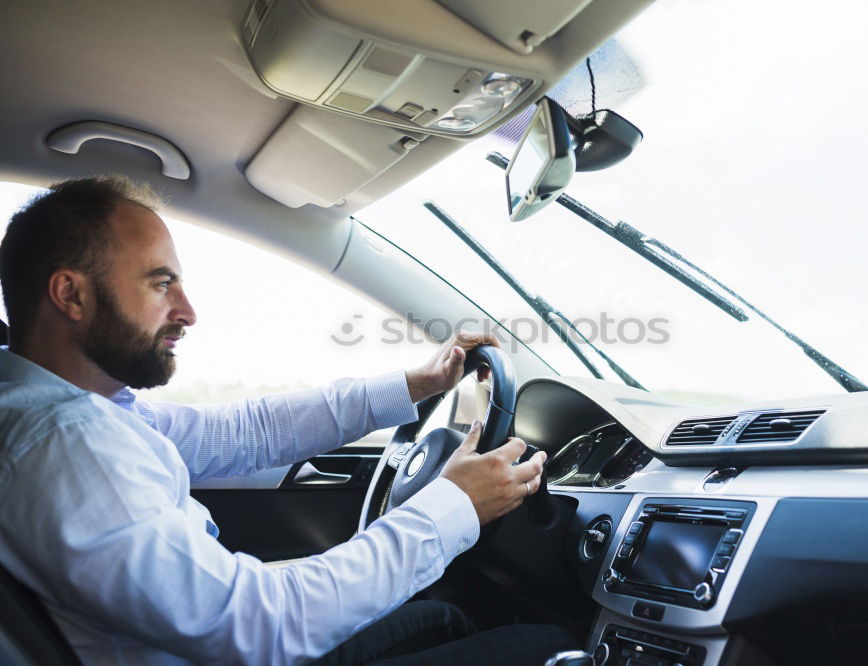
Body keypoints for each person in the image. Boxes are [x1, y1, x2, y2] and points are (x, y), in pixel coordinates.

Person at [0, 177, 576, 665]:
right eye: (160, 282)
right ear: (70, 295)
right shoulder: (64, 442)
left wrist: (416, 385)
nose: (187, 311)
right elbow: (258, 626)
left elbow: (242, 431)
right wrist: (452, 505)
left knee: (445, 619)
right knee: (547, 644)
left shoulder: (80, 408)